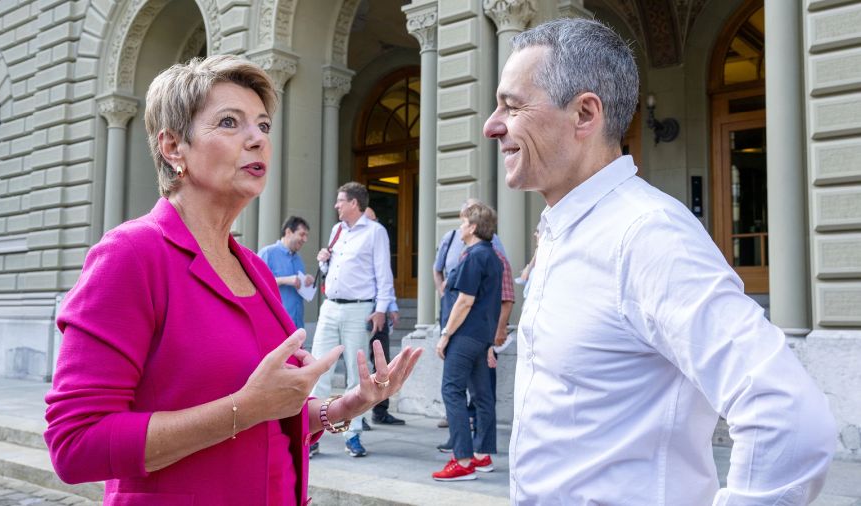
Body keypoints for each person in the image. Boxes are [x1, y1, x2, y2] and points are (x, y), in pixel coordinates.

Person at [483, 18, 835, 504]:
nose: (491, 124)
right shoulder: (568, 230)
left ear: (585, 113)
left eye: (513, 105)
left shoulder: (647, 236)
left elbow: (790, 419)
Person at [43, 56, 423, 506]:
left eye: (263, 125)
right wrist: (244, 409)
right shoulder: (131, 255)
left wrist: (347, 406)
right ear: (173, 147)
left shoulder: (255, 269)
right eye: (230, 122)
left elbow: (272, 412)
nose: (257, 139)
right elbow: (75, 443)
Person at [310, 181, 396, 458]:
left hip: (359, 309)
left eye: (340, 201)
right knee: (317, 368)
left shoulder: (375, 233)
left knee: (356, 371)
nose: (336, 205)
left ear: (354, 204)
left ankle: (353, 434)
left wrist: (381, 308)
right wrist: (324, 260)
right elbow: (333, 269)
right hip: (330, 307)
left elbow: (383, 272)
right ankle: (312, 433)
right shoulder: (337, 231)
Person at [432, 201, 502, 481]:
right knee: (483, 396)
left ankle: (462, 460)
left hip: (465, 336)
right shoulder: (493, 257)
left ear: (473, 227)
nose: (460, 227)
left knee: (452, 392)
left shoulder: (473, 256)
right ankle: (482, 456)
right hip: (482, 337)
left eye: (463, 223)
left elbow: (464, 301)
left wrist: (446, 334)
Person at [362, 206, 405, 426]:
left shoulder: (377, 237)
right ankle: (358, 413)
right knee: (359, 365)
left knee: (382, 363)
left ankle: (380, 411)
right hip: (359, 312)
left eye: (371, 220)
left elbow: (384, 277)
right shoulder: (350, 240)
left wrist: (391, 306)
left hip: (378, 313)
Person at [258, 216, 314, 329]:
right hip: (274, 325)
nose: (305, 239)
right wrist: (285, 280)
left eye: (306, 236)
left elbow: (298, 286)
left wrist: (306, 281)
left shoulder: (299, 259)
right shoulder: (267, 253)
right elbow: (257, 283)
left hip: (297, 325)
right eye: (302, 234)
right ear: (288, 232)